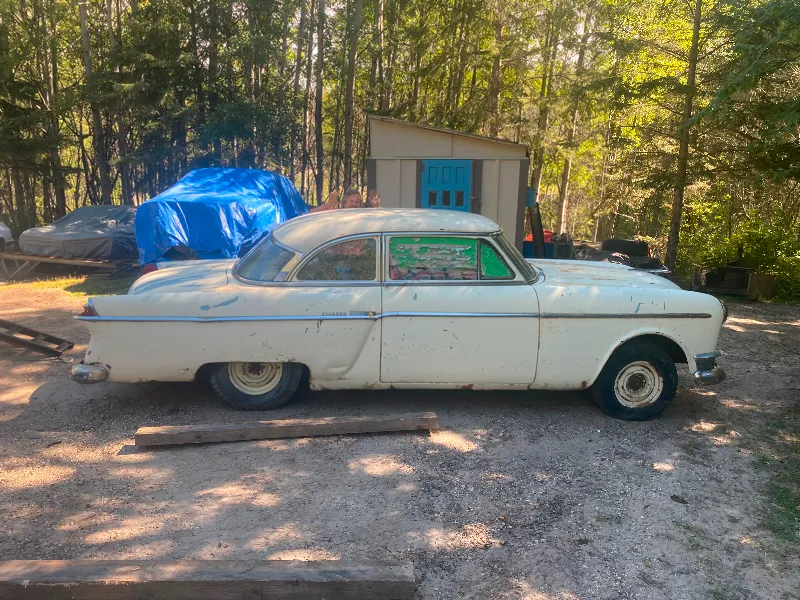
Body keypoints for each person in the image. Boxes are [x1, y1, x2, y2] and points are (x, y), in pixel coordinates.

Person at [309, 188, 381, 212]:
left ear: (360, 205)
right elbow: (308, 216)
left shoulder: (363, 215)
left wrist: (377, 208)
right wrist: (327, 205)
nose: (354, 204)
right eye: (351, 201)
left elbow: (380, 221)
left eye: (357, 202)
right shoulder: (336, 212)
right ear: (344, 203)